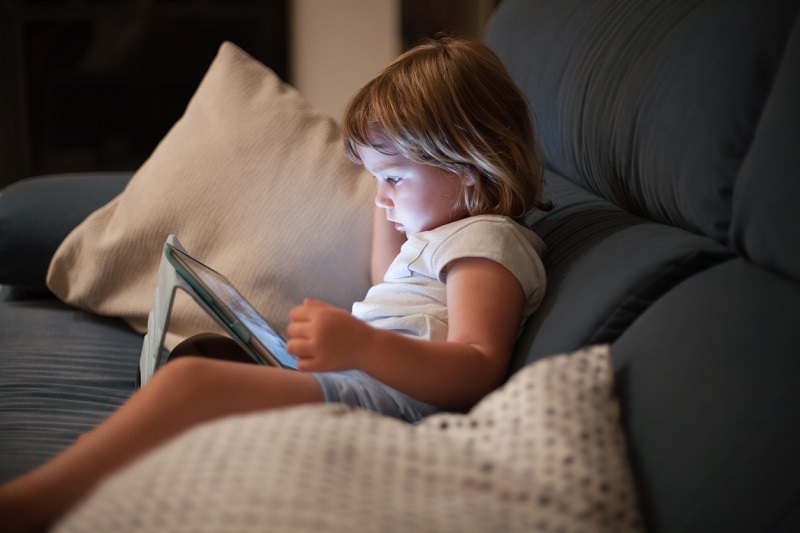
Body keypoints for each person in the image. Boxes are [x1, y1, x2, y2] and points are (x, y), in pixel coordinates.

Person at [0, 36, 547, 532]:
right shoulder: (444, 234)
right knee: (206, 355)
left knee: (191, 383)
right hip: (356, 385)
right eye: (376, 179)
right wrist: (390, 191)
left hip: (380, 407)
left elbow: (477, 364)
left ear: (469, 166)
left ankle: (31, 504)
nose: (381, 197)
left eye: (394, 179)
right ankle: (111, 463)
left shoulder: (488, 241)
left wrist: (364, 345)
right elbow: (383, 274)